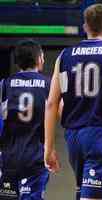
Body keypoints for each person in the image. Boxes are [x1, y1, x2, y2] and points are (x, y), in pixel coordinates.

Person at [44, 3, 102, 200]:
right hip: (101, 134)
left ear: (85, 27)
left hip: (74, 138)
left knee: (84, 193)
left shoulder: (63, 56)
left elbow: (52, 104)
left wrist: (49, 147)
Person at [0, 39, 49, 200]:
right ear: (39, 59)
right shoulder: (47, 85)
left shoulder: (5, 85)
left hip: (9, 157)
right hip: (36, 157)